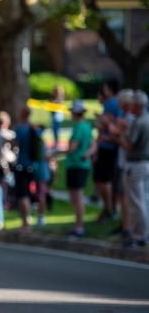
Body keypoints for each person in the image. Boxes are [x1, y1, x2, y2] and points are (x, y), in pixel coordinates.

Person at [57, 100, 94, 237]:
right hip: (82, 164)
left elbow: (72, 148)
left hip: (76, 165)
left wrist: (55, 153)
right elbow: (93, 144)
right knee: (76, 196)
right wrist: (88, 153)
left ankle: (79, 226)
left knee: (76, 197)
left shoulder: (79, 127)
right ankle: (78, 226)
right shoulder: (87, 126)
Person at [120, 90, 149, 247]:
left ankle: (139, 236)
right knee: (143, 200)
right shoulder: (147, 119)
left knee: (137, 202)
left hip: (137, 164)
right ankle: (142, 234)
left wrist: (121, 132)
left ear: (137, 105)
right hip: (145, 163)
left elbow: (128, 144)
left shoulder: (139, 122)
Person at [93, 79, 122, 222]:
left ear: (110, 89)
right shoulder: (119, 103)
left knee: (103, 179)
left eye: (105, 88)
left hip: (107, 147)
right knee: (111, 178)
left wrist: (100, 122)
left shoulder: (110, 104)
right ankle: (111, 209)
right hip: (115, 146)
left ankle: (109, 209)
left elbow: (107, 125)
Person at [110, 89, 136, 239]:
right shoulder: (126, 117)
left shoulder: (132, 119)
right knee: (122, 195)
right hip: (123, 161)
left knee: (126, 196)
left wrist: (116, 129)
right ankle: (125, 225)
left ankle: (128, 227)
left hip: (128, 162)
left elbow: (126, 142)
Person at [13, 106, 36, 231]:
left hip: (22, 164)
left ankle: (26, 223)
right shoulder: (32, 127)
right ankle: (27, 220)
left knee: (23, 195)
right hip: (31, 165)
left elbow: (15, 144)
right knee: (27, 193)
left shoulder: (21, 129)